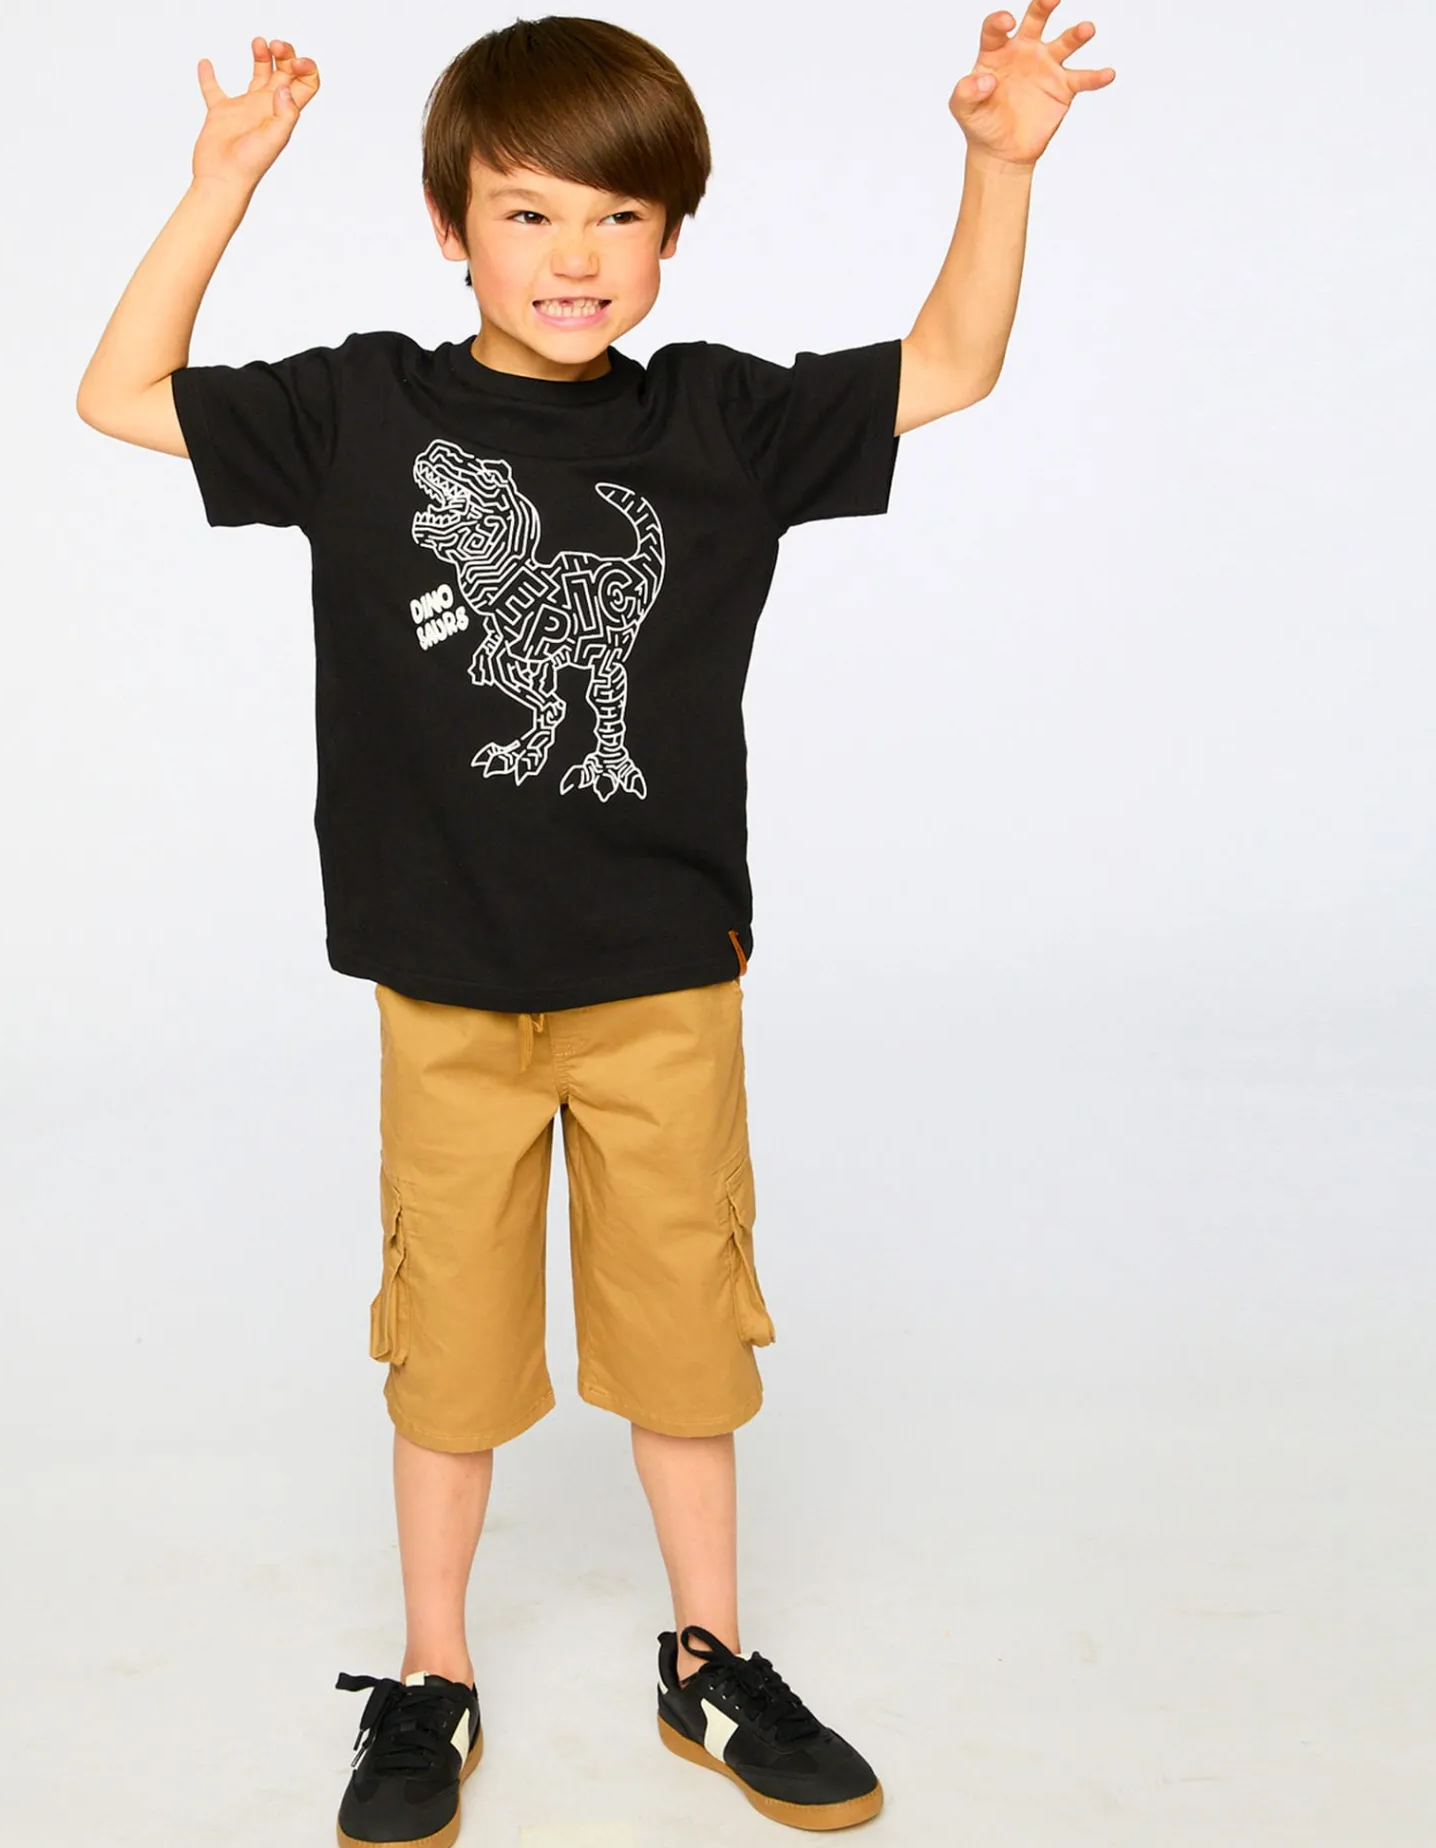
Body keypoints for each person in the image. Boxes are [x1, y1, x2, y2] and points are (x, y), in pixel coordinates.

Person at [77, 10, 1112, 1841]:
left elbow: (953, 362)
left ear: (671, 235)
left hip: (662, 986)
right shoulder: (362, 412)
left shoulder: (716, 418)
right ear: (450, 228)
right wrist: (223, 180)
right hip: (444, 987)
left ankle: (709, 1658)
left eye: (620, 216)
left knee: (684, 1341)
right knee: (451, 1357)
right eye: (530, 213)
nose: (577, 257)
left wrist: (998, 163)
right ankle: (434, 1672)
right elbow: (121, 392)